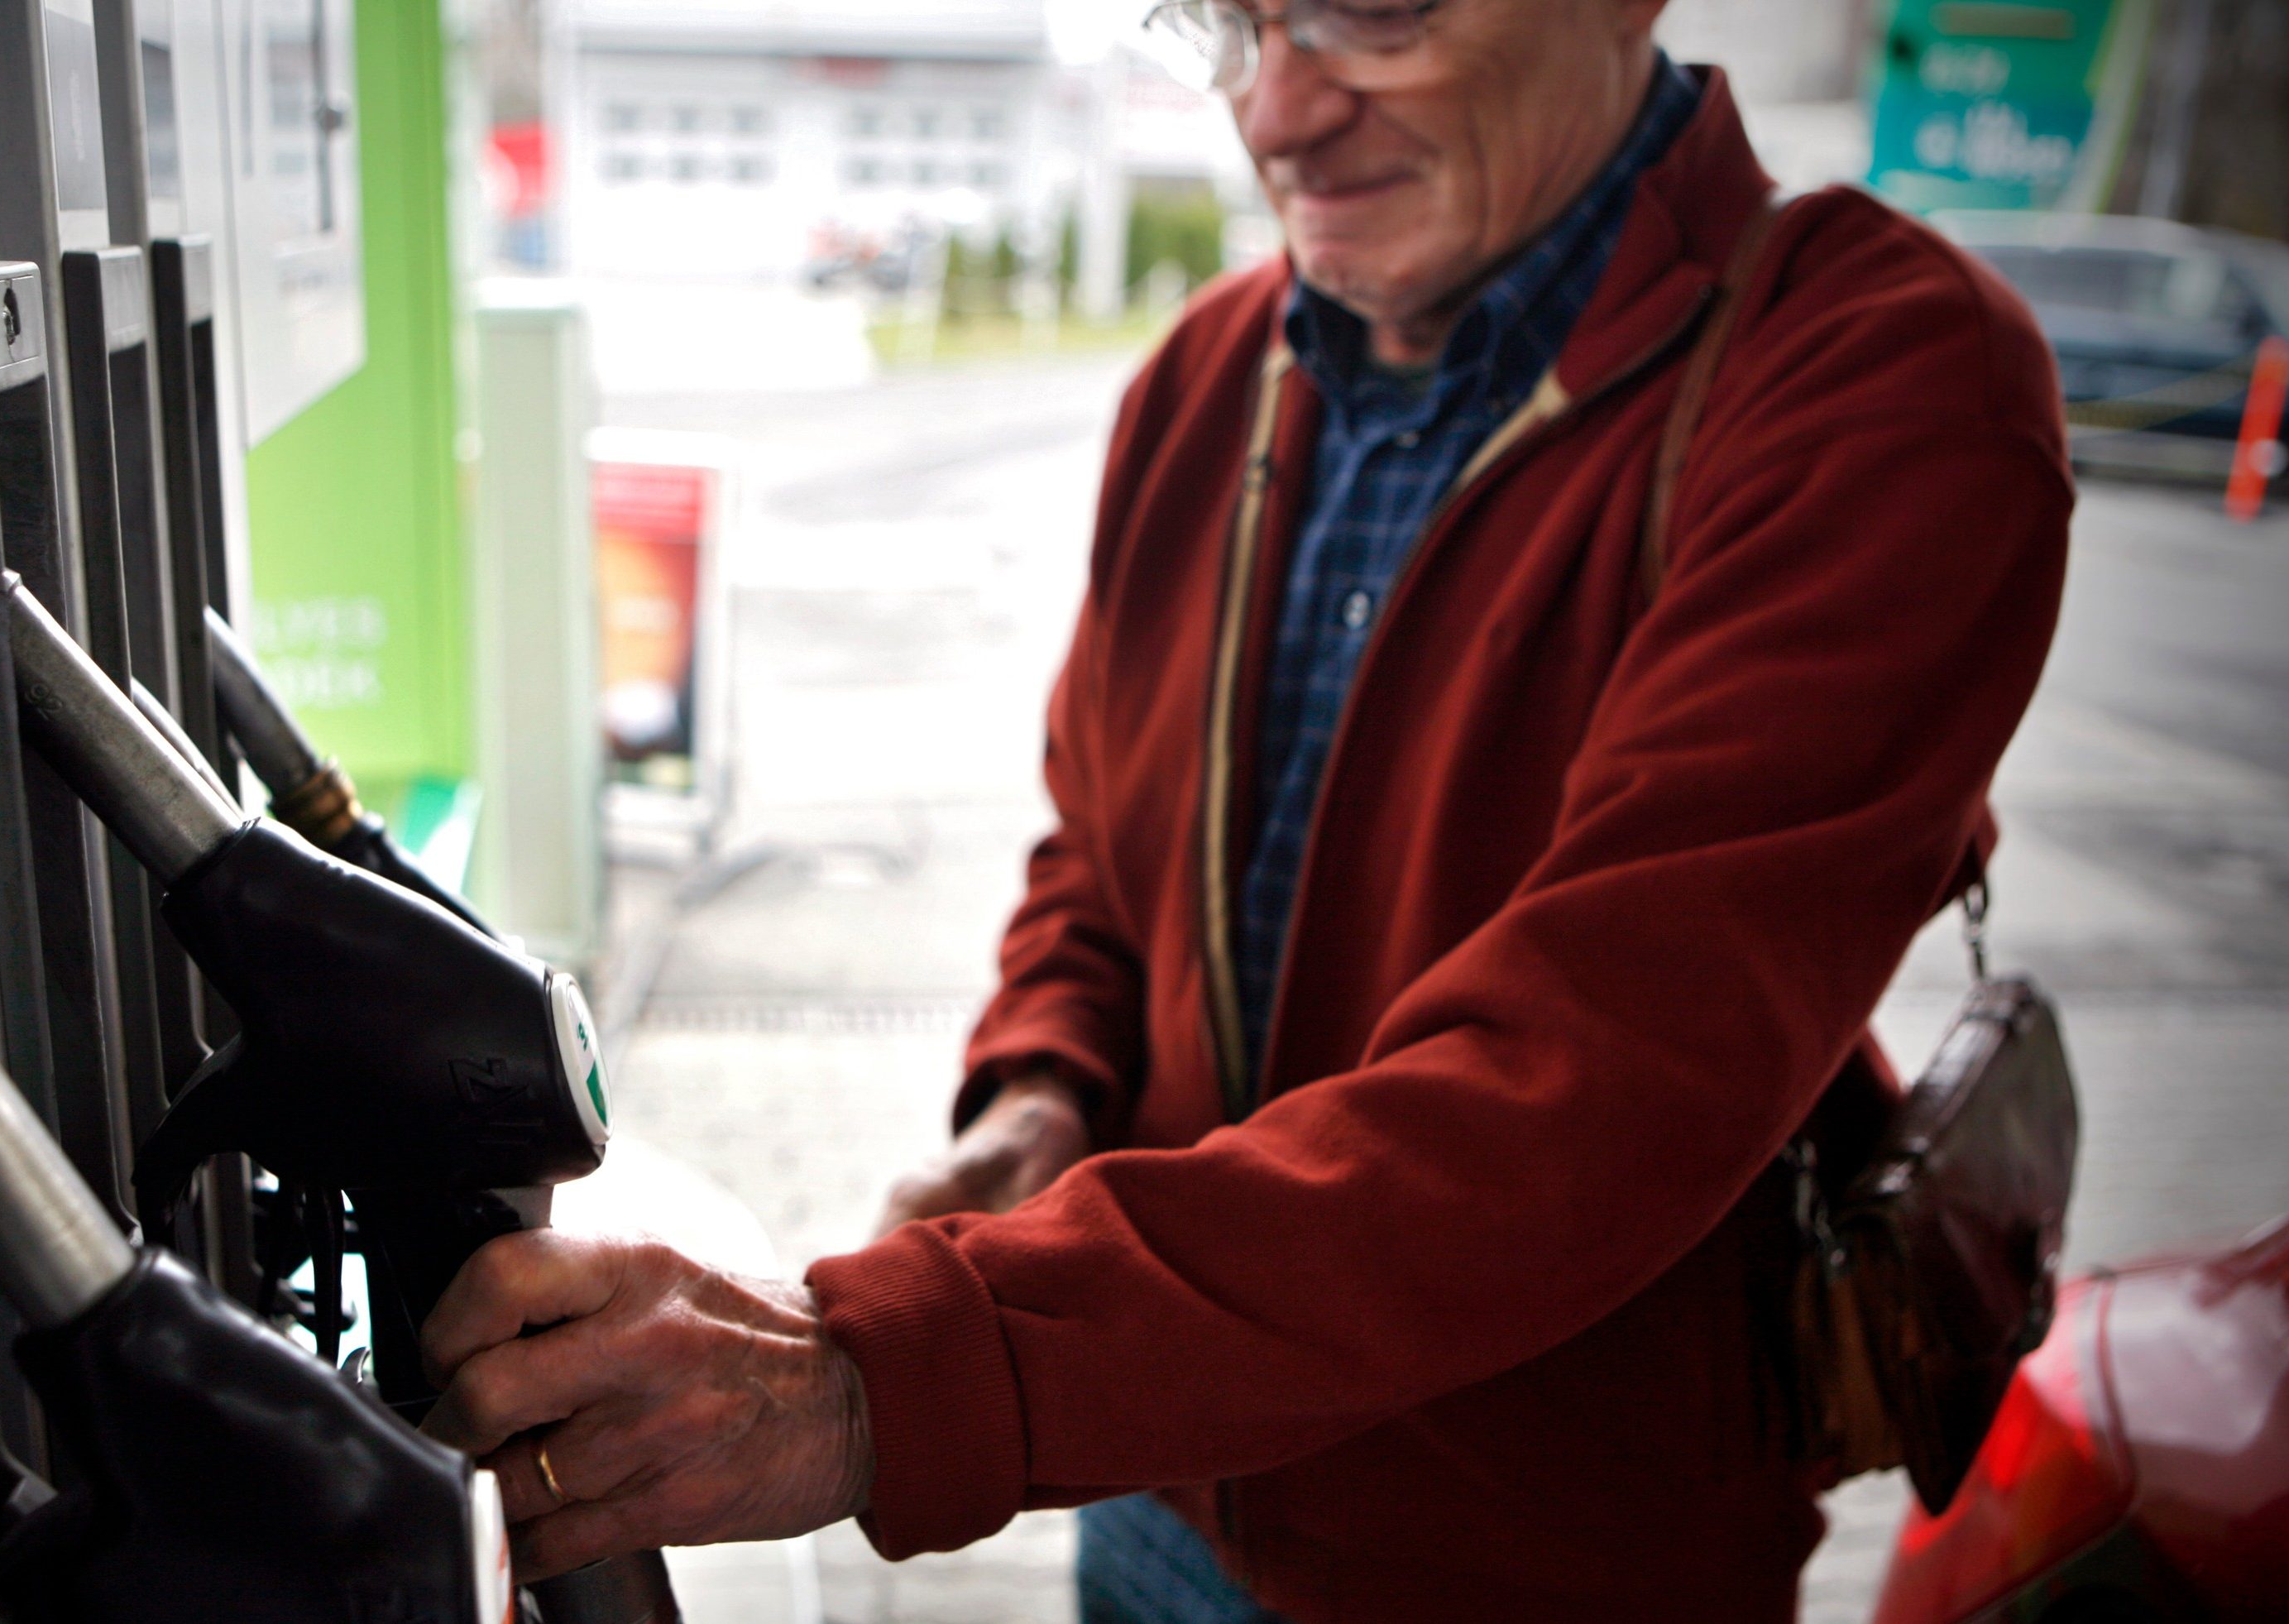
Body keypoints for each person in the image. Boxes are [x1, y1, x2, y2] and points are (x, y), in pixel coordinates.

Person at [416, 0, 2071, 1617]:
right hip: (1146, 1484)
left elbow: (1592, 1082)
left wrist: (890, 1372)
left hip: (1539, 1553)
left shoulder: (1878, 378)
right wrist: (1040, 1095)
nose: (1274, 112)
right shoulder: (1209, 373)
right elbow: (1093, 859)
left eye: (1367, 16)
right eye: (1228, 21)